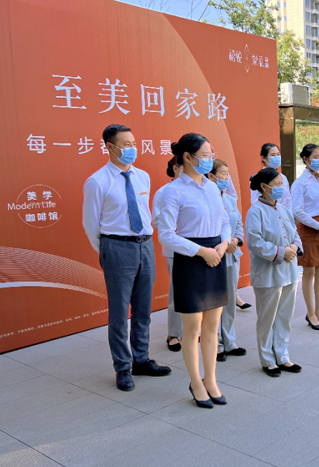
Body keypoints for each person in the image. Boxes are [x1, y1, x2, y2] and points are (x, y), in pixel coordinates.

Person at [82, 124, 171, 392]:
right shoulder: (97, 181)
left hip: (145, 246)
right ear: (110, 147)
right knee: (120, 312)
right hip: (117, 247)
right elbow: (90, 224)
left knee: (143, 309)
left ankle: (141, 359)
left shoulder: (142, 176)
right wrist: (108, 251)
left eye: (134, 143)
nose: (132, 149)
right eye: (126, 144)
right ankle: (122, 366)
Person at [159, 133, 230, 409]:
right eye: (205, 155)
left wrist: (223, 244)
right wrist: (202, 251)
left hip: (216, 255)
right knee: (192, 328)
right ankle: (195, 382)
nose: (210, 160)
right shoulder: (172, 191)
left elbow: (224, 220)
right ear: (187, 157)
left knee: (212, 326)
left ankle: (210, 379)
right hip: (191, 259)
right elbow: (166, 235)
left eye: (212, 154)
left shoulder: (211, 187)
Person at [246, 168, 304, 377]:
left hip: (289, 271)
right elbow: (254, 242)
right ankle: (267, 359)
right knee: (267, 318)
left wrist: (294, 248)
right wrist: (281, 252)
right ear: (264, 187)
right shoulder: (255, 211)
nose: (281, 187)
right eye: (277, 184)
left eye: (282, 184)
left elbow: (295, 234)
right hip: (268, 273)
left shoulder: (283, 209)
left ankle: (282, 355)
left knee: (284, 316)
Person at [291, 143, 319, 331]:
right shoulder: (300, 183)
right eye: (315, 157)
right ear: (306, 159)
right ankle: (310, 313)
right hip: (309, 229)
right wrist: (318, 226)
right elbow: (297, 211)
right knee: (309, 272)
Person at [206, 160, 247, 362]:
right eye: (222, 174)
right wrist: (224, 242)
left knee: (229, 299)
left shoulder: (230, 200)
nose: (226, 178)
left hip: (232, 255)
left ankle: (229, 341)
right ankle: (216, 344)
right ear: (210, 176)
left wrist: (235, 240)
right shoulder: (205, 198)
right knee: (214, 301)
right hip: (214, 256)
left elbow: (238, 223)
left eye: (227, 174)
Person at [152, 156, 183, 351]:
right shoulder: (163, 192)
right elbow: (157, 221)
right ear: (176, 168)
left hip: (198, 248)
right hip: (175, 248)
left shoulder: (196, 189)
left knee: (194, 291)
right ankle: (174, 333)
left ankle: (191, 330)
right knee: (177, 291)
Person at [251, 143, 292, 210]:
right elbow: (255, 201)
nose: (276, 157)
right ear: (264, 158)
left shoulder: (283, 178)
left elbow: (288, 199)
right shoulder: (258, 178)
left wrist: (288, 213)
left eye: (278, 154)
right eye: (273, 155)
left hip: (282, 213)